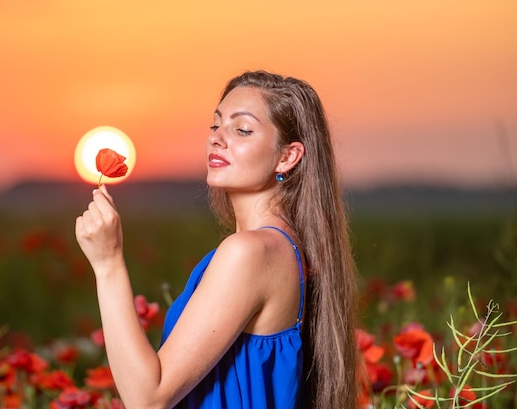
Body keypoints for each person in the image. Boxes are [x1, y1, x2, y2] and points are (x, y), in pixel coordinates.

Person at [75, 70, 358, 409]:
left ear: (288, 156)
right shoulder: (286, 249)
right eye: (215, 125)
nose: (217, 139)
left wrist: (108, 265)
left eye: (242, 129)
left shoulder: (250, 252)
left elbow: (148, 398)